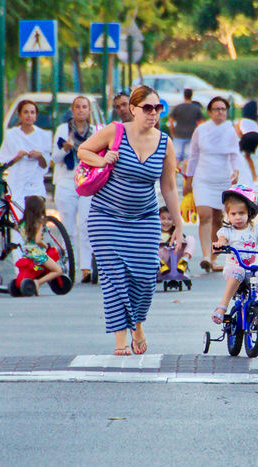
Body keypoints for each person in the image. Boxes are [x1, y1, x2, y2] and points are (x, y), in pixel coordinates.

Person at [78, 85, 183, 356]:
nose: (153, 113)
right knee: (115, 278)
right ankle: (120, 341)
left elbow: (169, 187)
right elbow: (83, 151)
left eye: (158, 108)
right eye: (147, 108)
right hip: (106, 218)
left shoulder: (164, 142)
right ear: (134, 109)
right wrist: (102, 162)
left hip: (145, 218)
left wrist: (179, 225)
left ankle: (138, 324)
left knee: (147, 276)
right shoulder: (117, 131)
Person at [210, 185, 258, 337]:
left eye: (241, 213)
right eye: (233, 214)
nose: (237, 217)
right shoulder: (227, 231)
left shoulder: (257, 229)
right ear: (227, 215)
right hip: (233, 271)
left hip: (252, 271)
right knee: (239, 270)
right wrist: (220, 244)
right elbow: (222, 240)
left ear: (250, 213)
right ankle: (222, 306)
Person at [185, 96, 244, 272]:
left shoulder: (230, 130)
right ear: (210, 112)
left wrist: (236, 171)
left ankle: (213, 257)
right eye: (217, 109)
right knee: (204, 215)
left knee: (218, 218)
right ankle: (204, 256)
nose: (220, 112)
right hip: (203, 178)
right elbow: (193, 155)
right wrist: (189, 178)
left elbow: (235, 154)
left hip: (223, 179)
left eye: (223, 109)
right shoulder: (201, 130)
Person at [52, 96, 96, 283]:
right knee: (68, 227)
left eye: (84, 107)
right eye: (77, 107)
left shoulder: (95, 131)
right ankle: (69, 267)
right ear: (72, 109)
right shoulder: (63, 130)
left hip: (86, 181)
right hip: (66, 181)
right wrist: (66, 149)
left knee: (87, 225)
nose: (81, 110)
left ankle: (86, 268)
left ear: (89, 110)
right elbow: (54, 158)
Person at [0, 100, 52, 211]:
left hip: (35, 183)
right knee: (16, 217)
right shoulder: (12, 134)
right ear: (20, 115)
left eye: (32, 113)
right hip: (16, 182)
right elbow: (3, 160)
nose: (29, 116)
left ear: (36, 116)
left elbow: (45, 165)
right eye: (26, 112)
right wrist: (17, 157)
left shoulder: (43, 135)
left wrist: (39, 156)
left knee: (34, 218)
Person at [20, 195, 63, 293]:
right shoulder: (39, 222)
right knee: (58, 270)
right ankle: (38, 282)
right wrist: (45, 246)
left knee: (36, 269)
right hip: (37, 253)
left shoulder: (22, 223)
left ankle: (32, 281)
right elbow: (37, 240)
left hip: (27, 252)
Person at [168, 88, 204, 172]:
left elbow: (170, 122)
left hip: (178, 135)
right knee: (188, 159)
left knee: (176, 159)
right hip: (191, 135)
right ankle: (186, 179)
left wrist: (172, 132)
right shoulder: (196, 109)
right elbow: (201, 123)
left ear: (184, 96)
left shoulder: (178, 107)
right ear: (191, 96)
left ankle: (173, 177)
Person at [158, 206, 195, 275]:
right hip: (162, 261)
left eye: (169, 219)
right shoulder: (156, 233)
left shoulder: (176, 233)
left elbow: (183, 241)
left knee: (190, 239)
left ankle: (184, 261)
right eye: (163, 219)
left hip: (176, 260)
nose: (166, 222)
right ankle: (160, 265)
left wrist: (180, 241)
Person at [235, 100, 258, 182]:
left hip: (247, 135)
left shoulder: (240, 121)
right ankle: (254, 176)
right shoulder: (254, 122)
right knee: (247, 156)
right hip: (257, 136)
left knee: (237, 156)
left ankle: (237, 175)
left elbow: (238, 135)